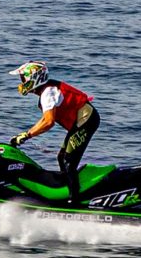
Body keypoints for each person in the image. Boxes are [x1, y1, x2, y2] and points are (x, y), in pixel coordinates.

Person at [7, 61, 98, 191]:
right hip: (82, 121)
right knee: (62, 157)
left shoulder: (47, 93)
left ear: (34, 78)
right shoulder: (46, 91)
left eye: (23, 78)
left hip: (87, 120)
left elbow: (49, 122)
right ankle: (67, 190)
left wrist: (28, 135)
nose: (21, 82)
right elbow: (45, 119)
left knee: (69, 162)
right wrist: (25, 134)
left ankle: (74, 202)